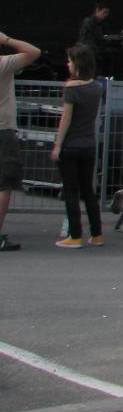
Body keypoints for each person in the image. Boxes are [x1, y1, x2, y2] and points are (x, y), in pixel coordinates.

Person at [52, 43, 103, 248]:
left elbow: (66, 119)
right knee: (88, 190)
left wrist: (57, 145)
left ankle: (75, 235)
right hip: (89, 144)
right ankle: (97, 233)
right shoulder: (96, 87)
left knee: (71, 191)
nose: (68, 64)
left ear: (77, 63)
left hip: (71, 145)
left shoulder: (71, 88)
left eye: (70, 61)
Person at [0, 31, 40, 251]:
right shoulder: (3, 64)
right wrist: (6, 40)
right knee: (3, 184)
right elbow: (34, 52)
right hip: (3, 129)